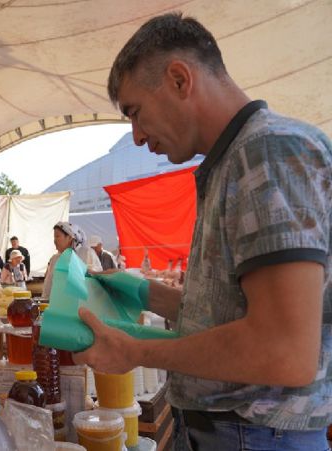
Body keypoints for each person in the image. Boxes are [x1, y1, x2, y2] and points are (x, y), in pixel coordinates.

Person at [73, 13, 332, 450]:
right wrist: (147, 293)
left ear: (179, 79)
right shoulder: (234, 159)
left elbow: (284, 350)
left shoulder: (267, 152)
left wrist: (136, 351)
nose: (136, 137)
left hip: (255, 435)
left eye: (135, 112)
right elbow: (238, 314)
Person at [42, 221, 85, 299]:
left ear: (69, 238)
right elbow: (48, 285)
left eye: (57, 236)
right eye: (54, 237)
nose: (54, 240)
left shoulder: (83, 255)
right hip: (55, 303)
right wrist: (45, 300)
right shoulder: (54, 259)